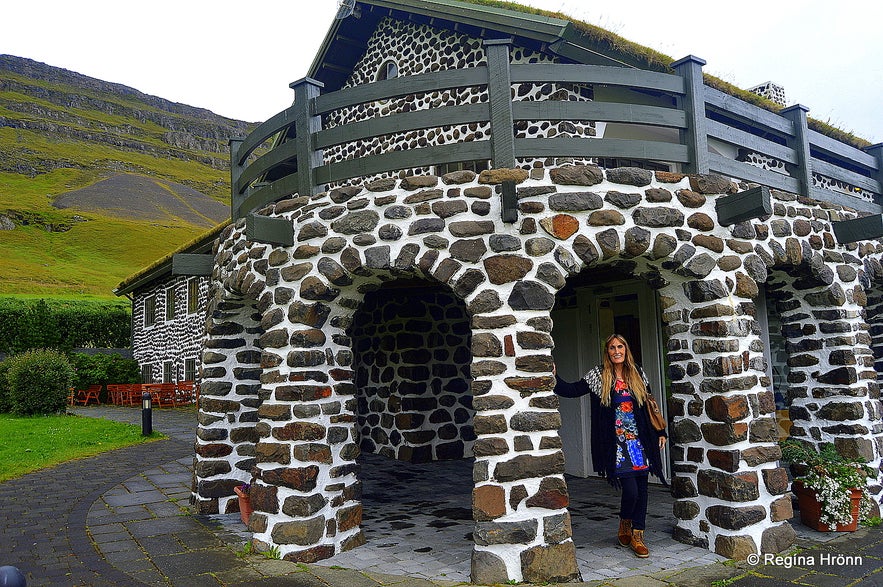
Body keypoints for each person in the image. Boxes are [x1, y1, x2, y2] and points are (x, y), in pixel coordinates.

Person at [553, 333, 667, 558]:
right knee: (631, 491)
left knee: (642, 489)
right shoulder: (599, 375)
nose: (617, 351)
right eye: (612, 348)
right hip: (616, 445)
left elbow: (649, 405)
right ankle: (625, 520)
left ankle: (637, 534)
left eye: (620, 347)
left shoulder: (637, 373)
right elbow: (573, 390)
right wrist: (554, 377)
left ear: (626, 350)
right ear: (607, 352)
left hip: (640, 442)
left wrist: (660, 431)